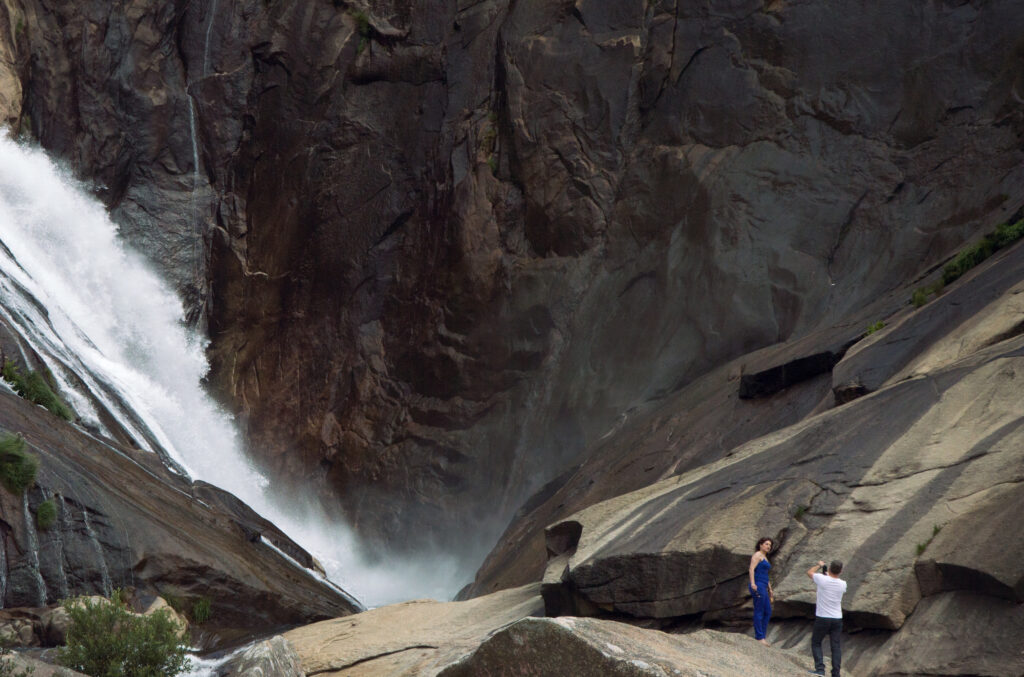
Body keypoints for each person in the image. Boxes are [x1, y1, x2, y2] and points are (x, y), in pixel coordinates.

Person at [806, 559, 848, 677]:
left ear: (829, 568)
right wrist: (828, 574)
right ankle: (836, 673)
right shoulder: (843, 584)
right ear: (841, 571)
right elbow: (833, 581)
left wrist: (819, 565)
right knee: (835, 646)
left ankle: (820, 669)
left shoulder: (821, 579)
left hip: (823, 617)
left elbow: (809, 572)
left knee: (816, 642)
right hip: (837, 618)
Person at [748, 537, 774, 644]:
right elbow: (751, 569)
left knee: (768, 611)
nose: (768, 546)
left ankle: (762, 635)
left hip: (764, 585)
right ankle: (759, 637)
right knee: (759, 610)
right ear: (760, 545)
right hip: (757, 584)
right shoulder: (757, 555)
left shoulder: (765, 557)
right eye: (766, 544)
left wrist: (770, 588)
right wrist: (753, 583)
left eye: (770, 545)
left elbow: (765, 573)